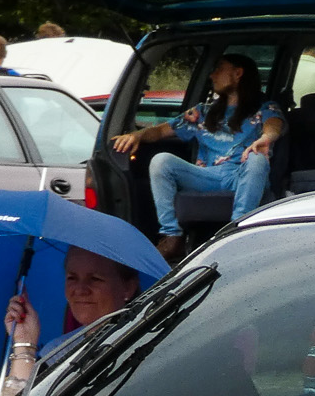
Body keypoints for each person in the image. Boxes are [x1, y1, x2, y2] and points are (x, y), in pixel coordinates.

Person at [112, 52, 285, 261]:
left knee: (257, 158)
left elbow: (274, 124)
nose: (212, 75)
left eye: (219, 69)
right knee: (161, 161)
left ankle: (237, 231)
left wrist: (266, 138)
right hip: (207, 176)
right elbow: (161, 131)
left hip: (243, 175)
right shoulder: (202, 112)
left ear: (238, 73)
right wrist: (137, 135)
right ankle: (172, 237)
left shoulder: (265, 108)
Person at [0, 248, 142, 396]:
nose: (80, 290)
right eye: (72, 278)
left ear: (128, 288)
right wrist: (24, 343)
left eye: (95, 278)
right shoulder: (58, 351)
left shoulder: (144, 346)